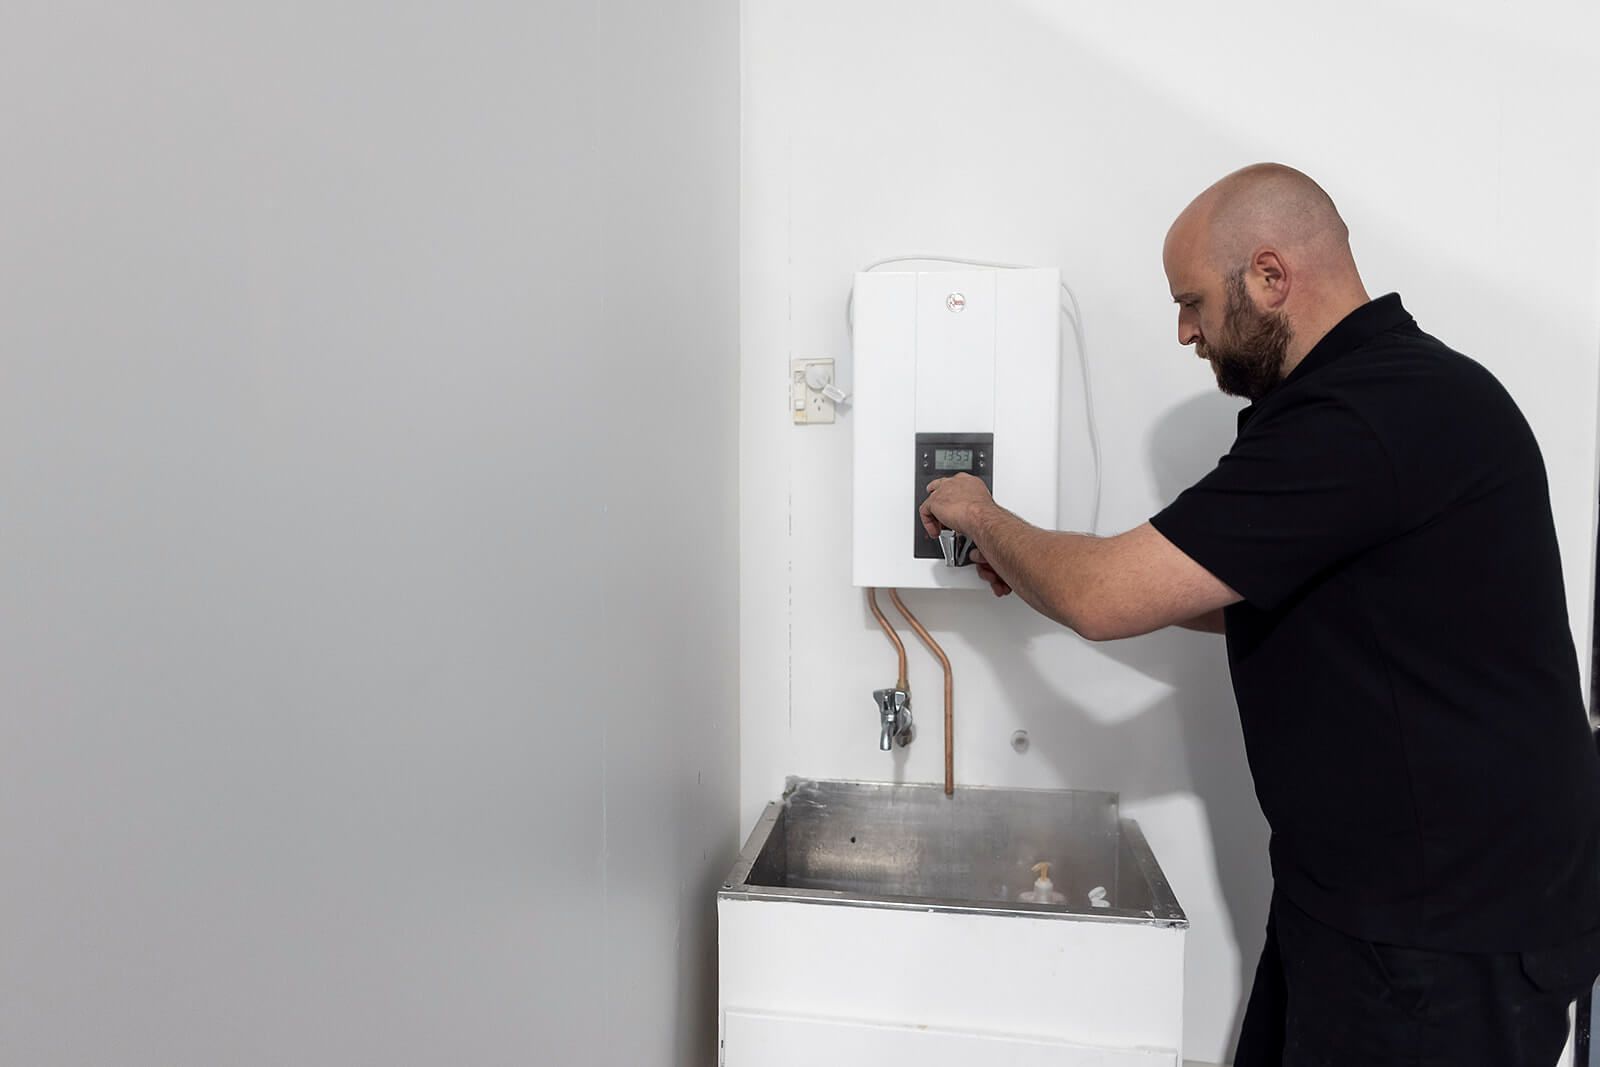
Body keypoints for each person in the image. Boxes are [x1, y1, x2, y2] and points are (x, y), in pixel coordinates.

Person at [917, 163, 1600, 1066]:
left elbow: (1103, 594)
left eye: (1192, 299)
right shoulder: (1383, 398)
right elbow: (1258, 589)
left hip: (1441, 941)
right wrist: (1056, 566)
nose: (1184, 329)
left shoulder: (1366, 416)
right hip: (1364, 911)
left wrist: (979, 516)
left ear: (1271, 277)